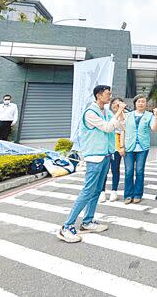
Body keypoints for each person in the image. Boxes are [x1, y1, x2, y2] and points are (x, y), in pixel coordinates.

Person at [57, 85, 125, 243]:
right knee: (88, 191)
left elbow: (120, 127)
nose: (110, 97)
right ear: (99, 96)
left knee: (95, 191)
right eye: (108, 94)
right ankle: (67, 226)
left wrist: (119, 114)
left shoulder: (107, 112)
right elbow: (108, 128)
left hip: (106, 155)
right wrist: (119, 113)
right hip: (94, 157)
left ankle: (87, 221)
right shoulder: (90, 112)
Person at [122, 94, 157, 204]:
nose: (141, 103)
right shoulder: (127, 115)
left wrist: (156, 116)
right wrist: (121, 146)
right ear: (135, 103)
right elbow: (122, 130)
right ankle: (128, 195)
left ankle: (138, 194)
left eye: (143, 101)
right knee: (128, 171)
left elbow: (154, 128)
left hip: (143, 147)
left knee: (139, 171)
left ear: (146, 103)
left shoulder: (149, 115)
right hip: (129, 147)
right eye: (139, 101)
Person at [99, 97, 126, 203]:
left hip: (117, 147)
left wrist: (122, 146)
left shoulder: (124, 116)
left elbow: (124, 130)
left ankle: (114, 191)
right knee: (104, 170)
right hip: (105, 147)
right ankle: (102, 192)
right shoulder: (106, 114)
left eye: (118, 103)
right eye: (114, 103)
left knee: (115, 169)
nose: (116, 105)